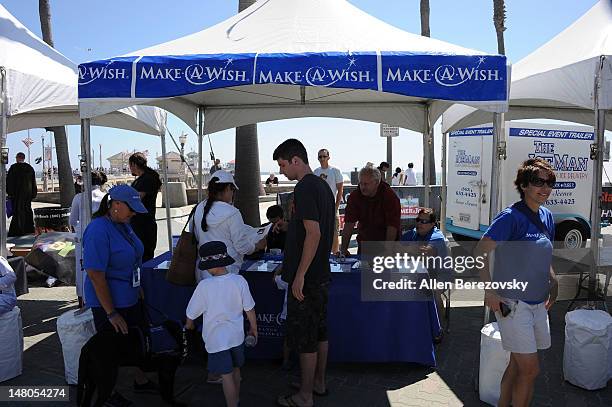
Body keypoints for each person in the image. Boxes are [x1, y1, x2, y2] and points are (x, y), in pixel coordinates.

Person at [475, 158, 559, 407]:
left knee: (516, 364)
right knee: (530, 370)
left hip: (537, 303)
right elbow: (480, 252)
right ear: (523, 185)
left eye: (549, 182)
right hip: (513, 303)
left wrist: (553, 280)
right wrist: (489, 291)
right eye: (538, 182)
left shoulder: (547, 215)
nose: (545, 188)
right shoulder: (510, 217)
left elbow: (544, 253)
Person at [82, 184, 159, 404]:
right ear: (115, 205)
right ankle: (107, 393)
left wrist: (138, 287)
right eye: (131, 208)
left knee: (134, 343)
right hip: (110, 304)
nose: (134, 213)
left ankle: (140, 380)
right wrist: (111, 313)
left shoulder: (123, 224)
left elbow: (133, 257)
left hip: (130, 297)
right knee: (110, 353)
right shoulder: (98, 230)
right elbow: (96, 275)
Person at [272, 139, 334, 407]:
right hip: (320, 274)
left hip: (307, 279)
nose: (282, 171)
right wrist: (290, 226)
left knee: (306, 339)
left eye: (283, 165)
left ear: (295, 160)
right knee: (319, 333)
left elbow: (314, 233)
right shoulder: (322, 185)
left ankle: (305, 396)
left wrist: (299, 275)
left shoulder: (305, 187)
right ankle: (317, 383)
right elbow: (318, 228)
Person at [185, 241, 257, 407]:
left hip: (216, 340)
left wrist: (189, 325)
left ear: (209, 266)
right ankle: (237, 399)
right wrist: (254, 328)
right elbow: (250, 309)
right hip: (237, 337)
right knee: (236, 370)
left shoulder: (204, 286)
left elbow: (191, 314)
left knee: (226, 375)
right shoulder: (239, 281)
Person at [191, 170, 267, 281]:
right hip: (227, 271)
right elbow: (242, 247)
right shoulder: (232, 213)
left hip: (203, 272)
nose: (233, 193)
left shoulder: (198, 208)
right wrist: (257, 246)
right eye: (233, 190)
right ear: (227, 188)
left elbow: (196, 237)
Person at [401, 208, 449, 334]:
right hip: (418, 274)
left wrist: (407, 249)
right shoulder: (412, 234)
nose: (419, 224)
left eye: (424, 221)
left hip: (440, 275)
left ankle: (438, 329)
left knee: (433, 292)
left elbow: (425, 252)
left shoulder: (437, 237)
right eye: (418, 220)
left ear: (433, 224)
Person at [339, 165, 401, 255]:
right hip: (365, 243)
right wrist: (343, 249)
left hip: (387, 242)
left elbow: (392, 226)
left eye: (366, 184)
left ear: (376, 182)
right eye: (361, 183)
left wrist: (388, 251)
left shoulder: (390, 196)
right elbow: (349, 224)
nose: (363, 187)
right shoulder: (355, 196)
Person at [69, 170, 108, 308]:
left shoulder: (79, 198)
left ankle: (83, 303)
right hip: (102, 238)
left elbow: (73, 220)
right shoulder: (106, 197)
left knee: (82, 271)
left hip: (82, 237)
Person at [129, 152, 162, 263]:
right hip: (139, 224)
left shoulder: (147, 179)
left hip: (143, 225)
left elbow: (136, 199)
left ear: (134, 164)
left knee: (144, 259)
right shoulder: (141, 179)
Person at [313, 148, 344, 254]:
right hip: (319, 207)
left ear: (328, 157)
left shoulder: (335, 171)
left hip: (332, 206)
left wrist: (336, 207)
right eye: (320, 157)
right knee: (320, 231)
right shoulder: (316, 172)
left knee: (334, 231)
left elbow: (340, 190)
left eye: (324, 156)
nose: (322, 158)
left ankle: (335, 254)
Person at [7, 152, 37, 237]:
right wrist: (33, 194)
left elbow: (9, 182)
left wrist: (10, 193)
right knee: (27, 210)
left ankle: (17, 230)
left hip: (16, 195)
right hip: (27, 195)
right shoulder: (29, 168)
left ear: (17, 158)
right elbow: (33, 182)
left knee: (17, 212)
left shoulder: (13, 168)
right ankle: (28, 229)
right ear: (23, 158)